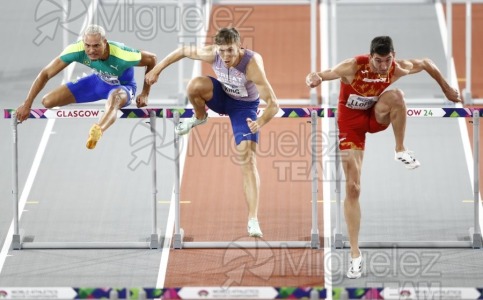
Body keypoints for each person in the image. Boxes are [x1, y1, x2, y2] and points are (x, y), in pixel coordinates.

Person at [305, 36, 461, 279]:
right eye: (378, 61)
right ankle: (355, 255)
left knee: (397, 95)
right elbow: (324, 74)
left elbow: (428, 63)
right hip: (351, 126)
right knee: (353, 188)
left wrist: (446, 88)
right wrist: (314, 77)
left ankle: (400, 149)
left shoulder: (396, 67)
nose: (383, 66)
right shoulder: (353, 66)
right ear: (370, 57)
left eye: (387, 60)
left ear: (393, 55)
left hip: (376, 116)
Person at [145, 27, 279, 237]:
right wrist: (157, 70)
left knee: (248, 159)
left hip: (243, 108)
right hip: (221, 97)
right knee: (195, 85)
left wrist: (260, 122)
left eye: (230, 51)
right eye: (222, 51)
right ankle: (199, 117)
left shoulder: (252, 65)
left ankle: (253, 219)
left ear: (239, 46)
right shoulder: (212, 53)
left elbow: (273, 104)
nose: (226, 56)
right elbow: (181, 51)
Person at [16, 24, 157, 149]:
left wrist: (145, 93)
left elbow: (152, 59)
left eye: (96, 46)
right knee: (47, 101)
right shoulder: (76, 50)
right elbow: (45, 74)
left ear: (105, 43)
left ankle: (97, 130)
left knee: (114, 98)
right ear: (83, 43)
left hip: (122, 88)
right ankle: (98, 118)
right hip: (97, 82)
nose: (91, 50)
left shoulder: (122, 55)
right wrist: (27, 103)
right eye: (87, 45)